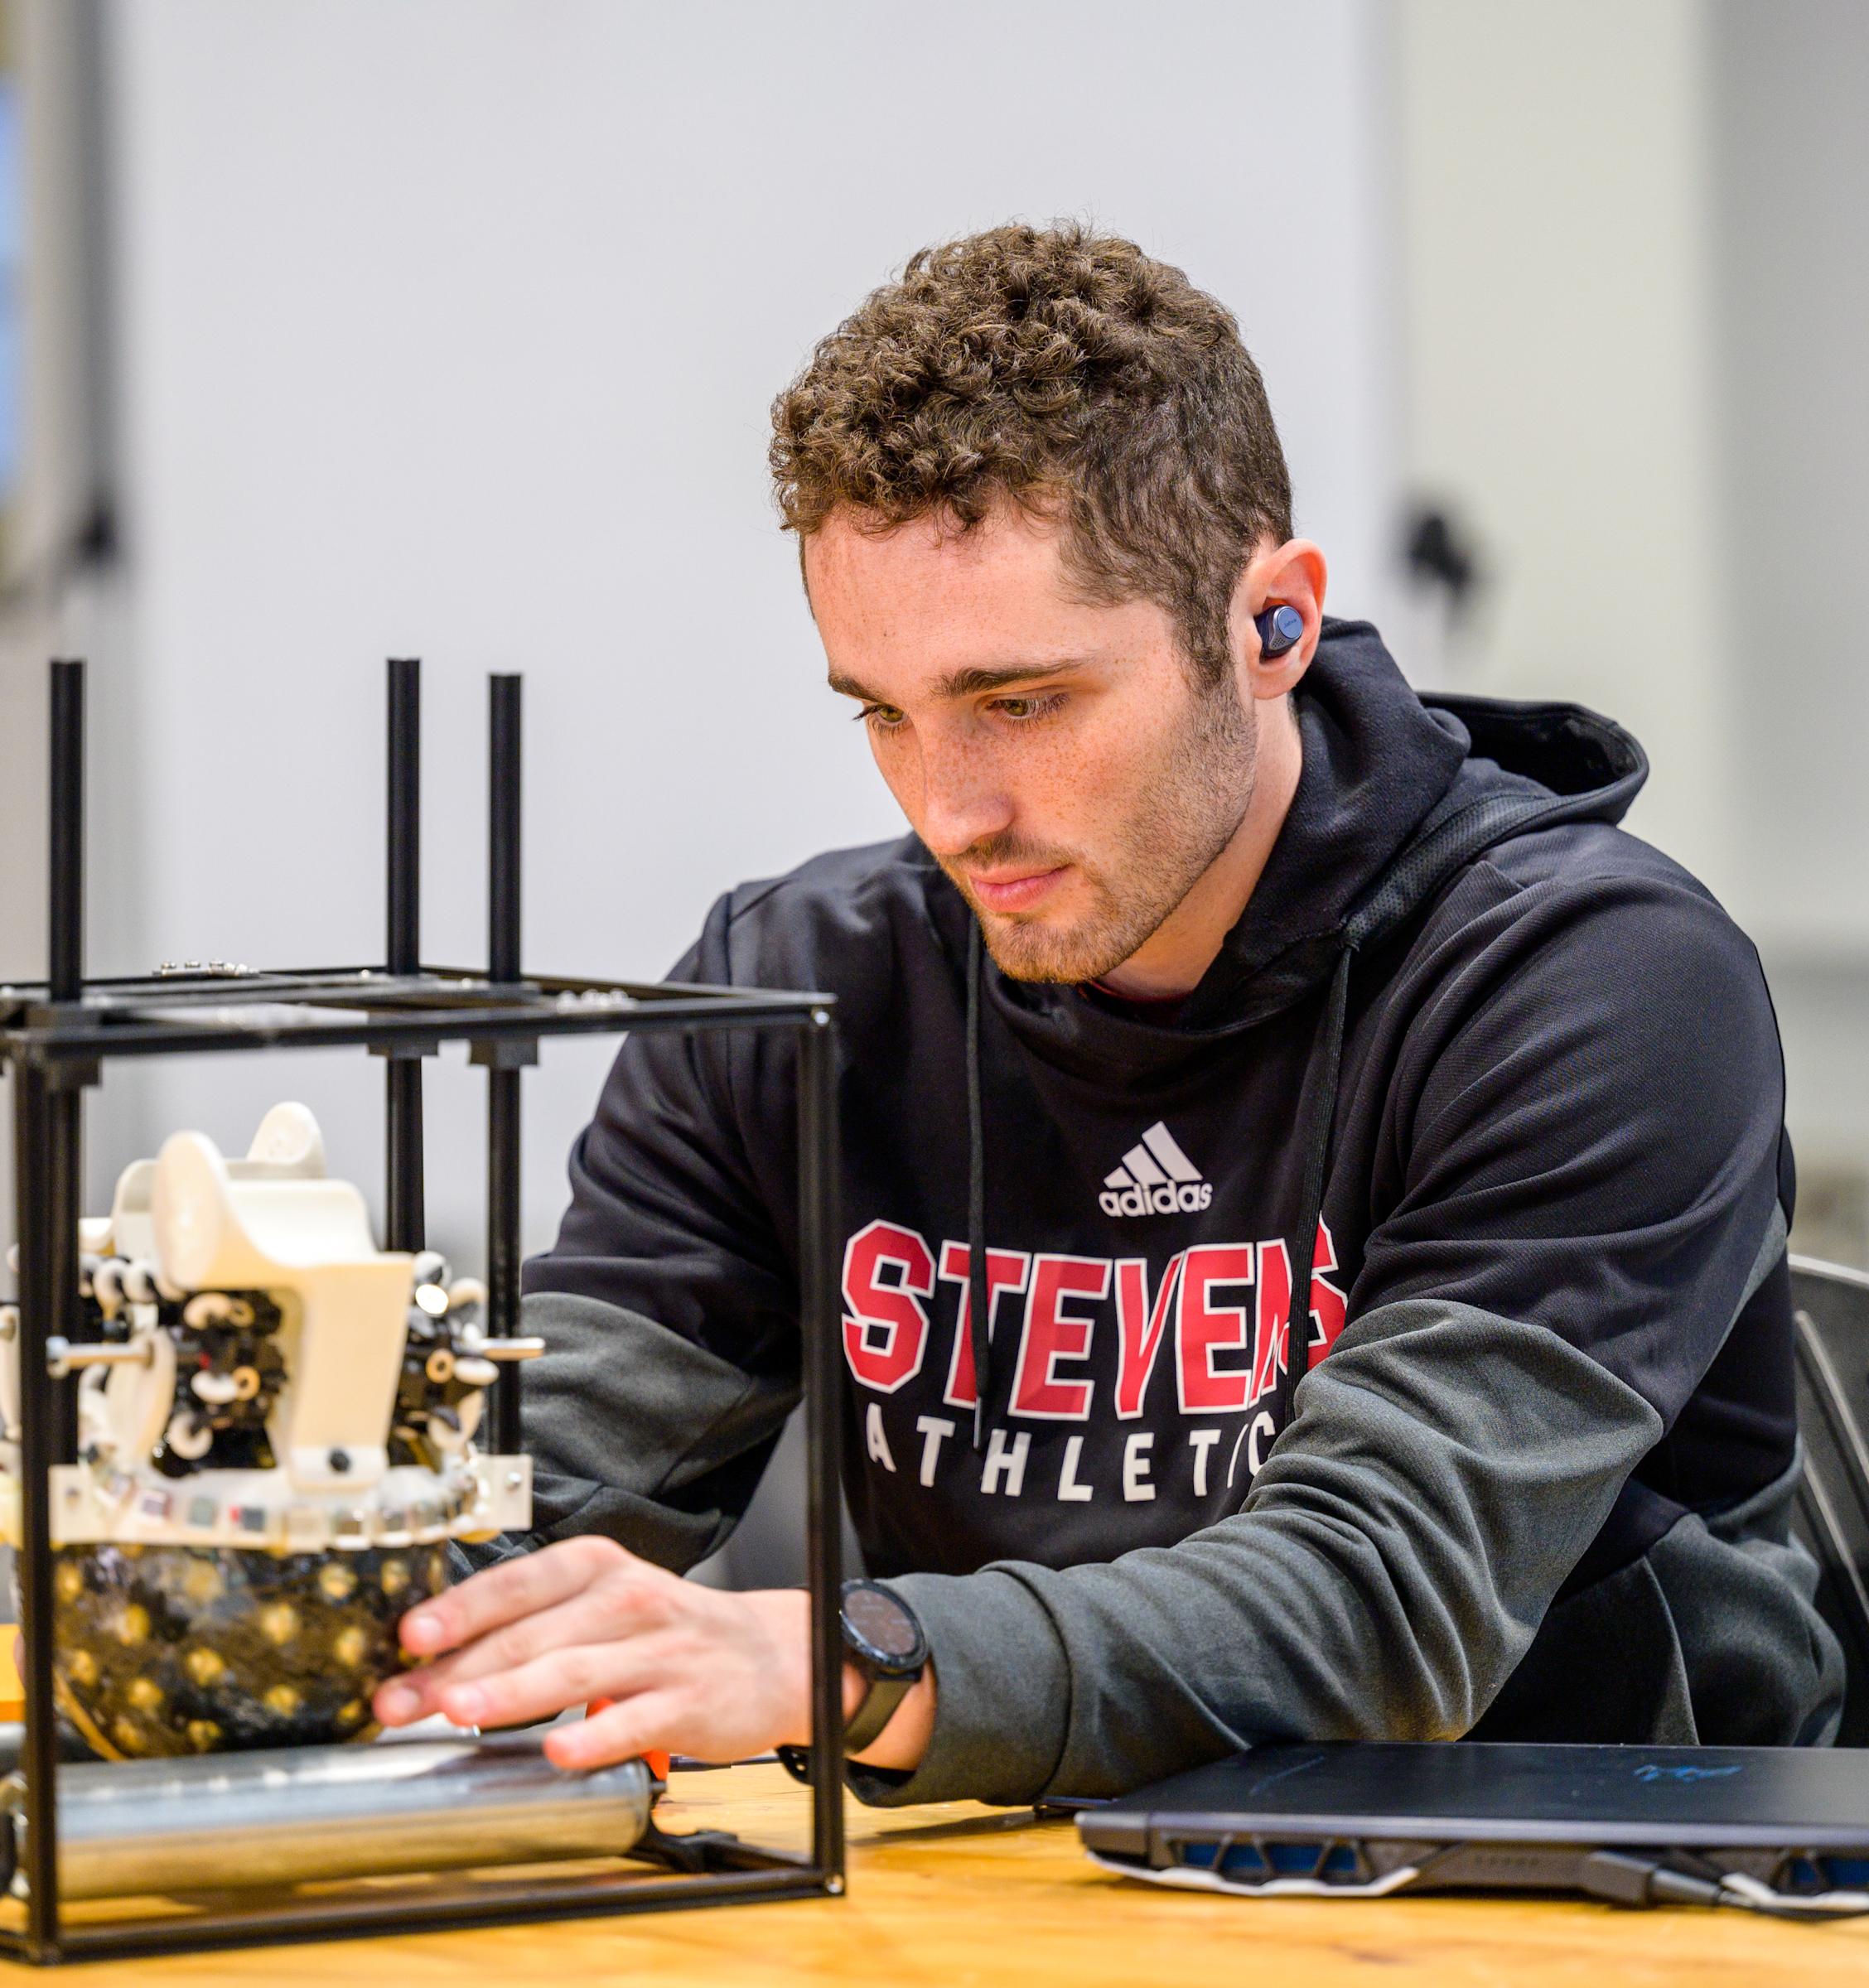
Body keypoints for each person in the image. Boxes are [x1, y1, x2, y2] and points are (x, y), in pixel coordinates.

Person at [373, 223, 1842, 1802]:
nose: (953, 811)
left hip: (1588, 1888)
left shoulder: (1595, 983)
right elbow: (534, 1498)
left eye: (1023, 704)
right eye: (886, 713)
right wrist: (243, 1582)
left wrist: (844, 1660)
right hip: (1040, 1885)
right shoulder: (801, 979)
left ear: (1269, 623)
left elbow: (1380, 1603)